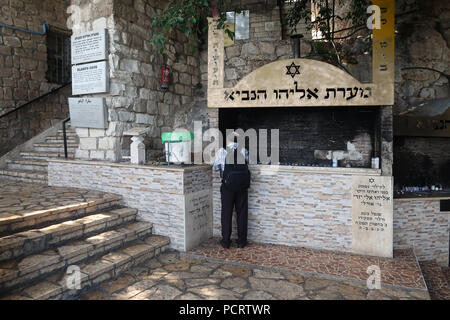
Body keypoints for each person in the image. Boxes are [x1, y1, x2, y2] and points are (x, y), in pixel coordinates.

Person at [213, 132, 250, 249]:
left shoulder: (221, 151)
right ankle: (241, 242)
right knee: (242, 213)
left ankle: (226, 242)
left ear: (227, 140)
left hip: (227, 187)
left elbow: (215, 168)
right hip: (242, 187)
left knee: (226, 213)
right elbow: (247, 163)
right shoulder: (244, 150)